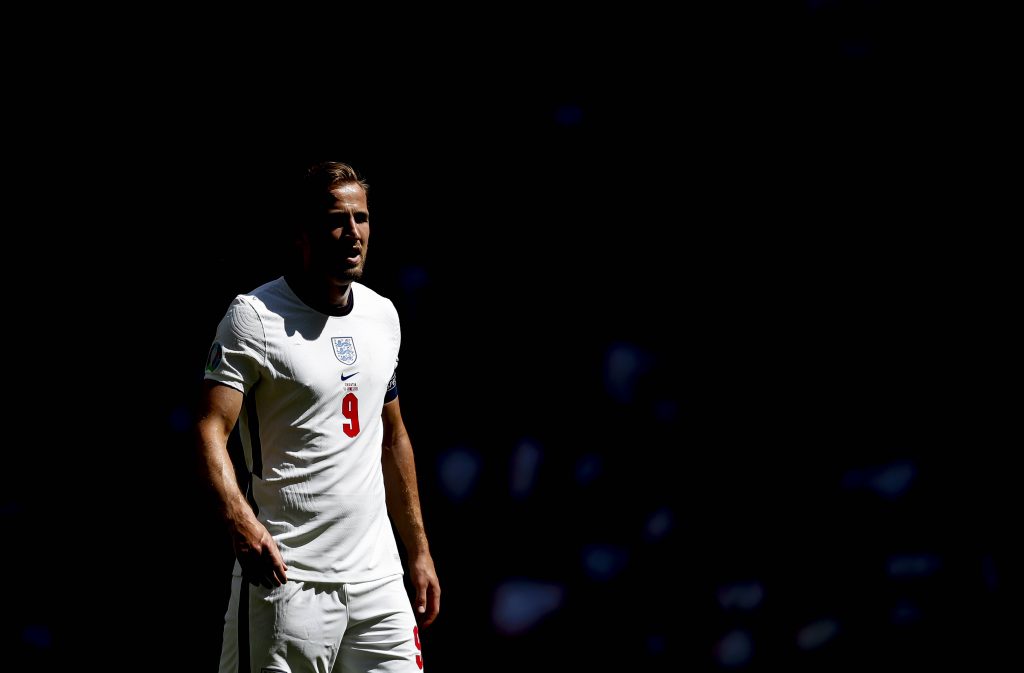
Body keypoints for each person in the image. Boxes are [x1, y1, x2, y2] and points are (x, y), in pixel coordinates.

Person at [196, 161, 440, 672]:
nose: (353, 233)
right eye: (336, 219)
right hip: (288, 581)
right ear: (301, 233)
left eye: (362, 218)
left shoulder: (382, 316)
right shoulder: (254, 318)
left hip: (378, 584)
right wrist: (239, 517)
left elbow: (392, 437)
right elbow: (209, 428)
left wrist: (417, 550)